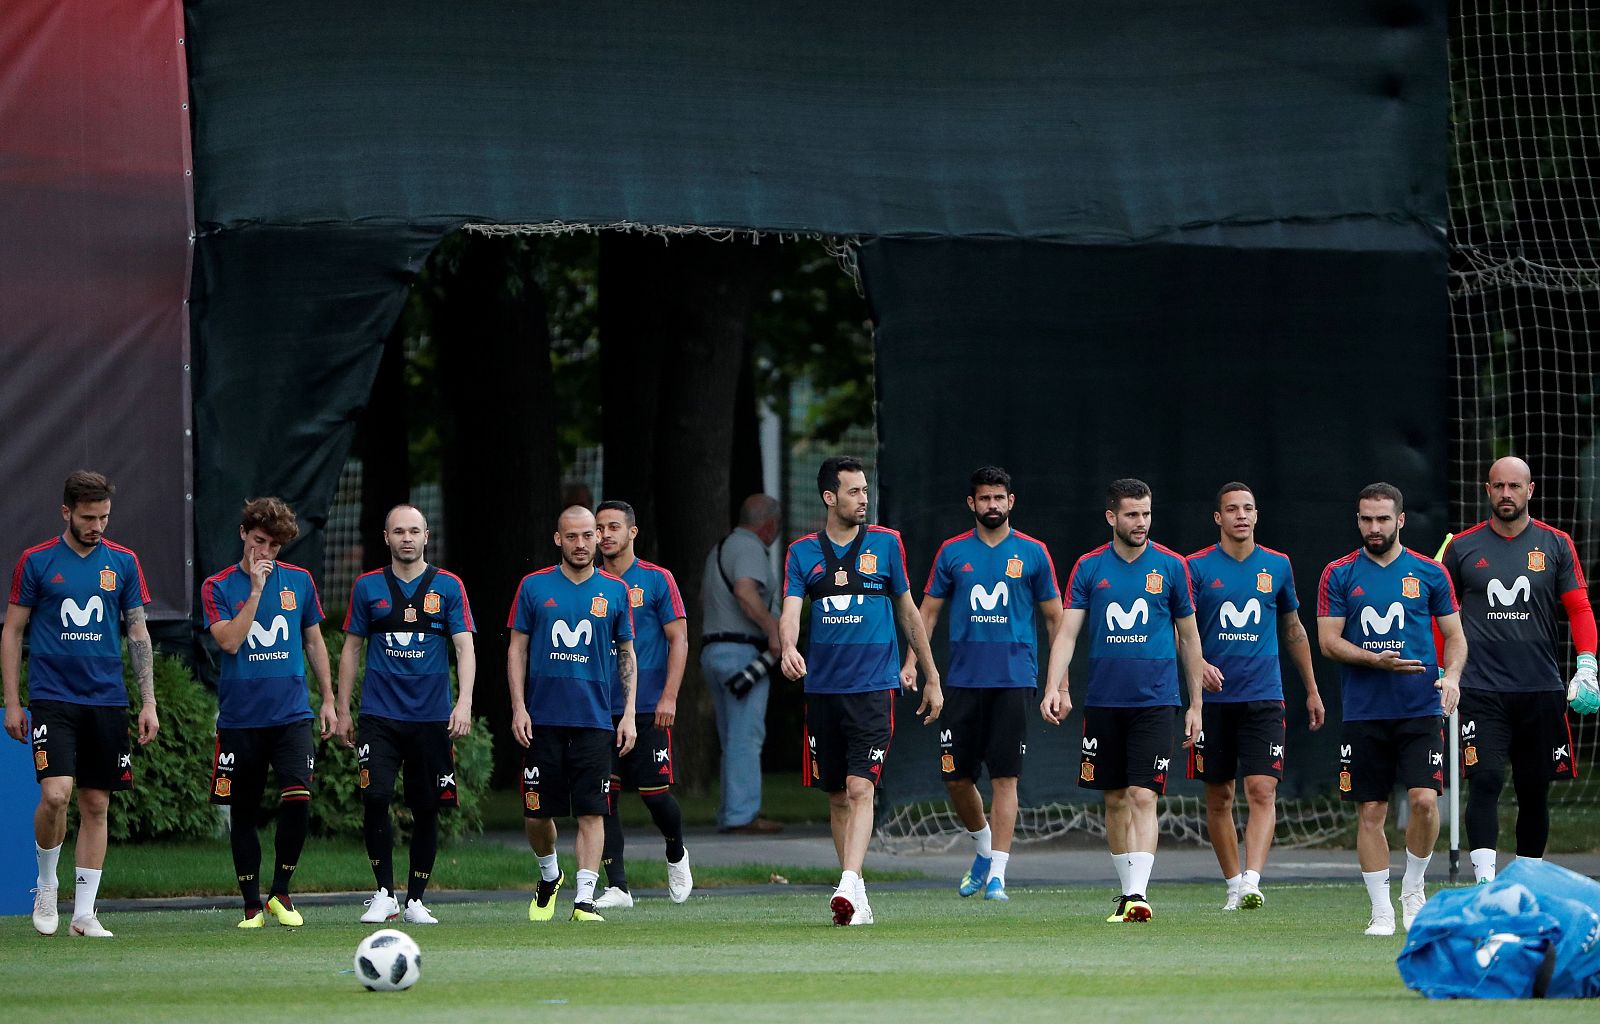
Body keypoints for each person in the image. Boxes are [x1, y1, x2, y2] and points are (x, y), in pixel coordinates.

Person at [780, 456, 942, 926]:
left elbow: (910, 614)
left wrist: (930, 676)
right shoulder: (802, 552)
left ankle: (848, 882)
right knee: (836, 794)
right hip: (823, 691)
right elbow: (790, 609)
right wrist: (788, 646)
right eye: (853, 491)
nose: (863, 499)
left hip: (874, 687)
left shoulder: (887, 545)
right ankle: (857, 889)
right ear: (830, 497)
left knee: (860, 787)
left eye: (865, 490)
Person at [1042, 478, 1205, 923]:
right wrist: (1054, 686)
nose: (1141, 523)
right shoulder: (1090, 567)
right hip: (1104, 703)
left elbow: (1189, 639)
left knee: (1143, 794)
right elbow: (1068, 632)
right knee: (1114, 799)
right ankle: (1126, 892)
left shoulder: (1171, 566)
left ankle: (1138, 895)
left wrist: (1196, 705)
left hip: (1156, 700)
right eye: (1132, 514)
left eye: (1147, 514)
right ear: (1112, 517)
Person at [3, 471, 156, 939]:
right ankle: (46, 884)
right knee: (56, 794)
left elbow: (137, 632)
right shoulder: (37, 561)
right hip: (53, 698)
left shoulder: (124, 563)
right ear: (66, 511)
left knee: (96, 802)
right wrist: (12, 701)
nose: (97, 525)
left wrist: (147, 700)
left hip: (107, 700)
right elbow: (12, 631)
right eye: (88, 517)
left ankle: (84, 914)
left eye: (104, 516)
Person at [905, 466, 1061, 902]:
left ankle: (999, 876)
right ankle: (982, 848)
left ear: (1012, 501)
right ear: (971, 504)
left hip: (1013, 682)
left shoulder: (1033, 553)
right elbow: (927, 611)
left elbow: (1055, 619)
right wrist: (913, 663)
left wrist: (1059, 685)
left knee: (1006, 779)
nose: (993, 505)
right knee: (956, 779)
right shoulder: (953, 552)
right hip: (962, 682)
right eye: (984, 499)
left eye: (1000, 498)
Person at [1438, 457, 1597, 883]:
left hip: (1540, 689)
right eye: (1498, 486)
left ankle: (1528, 881)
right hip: (1480, 689)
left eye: (1514, 486)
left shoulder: (1556, 544)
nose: (1506, 494)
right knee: (1485, 779)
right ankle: (1486, 884)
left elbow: (1579, 607)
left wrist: (1587, 665)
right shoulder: (1462, 548)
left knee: (1533, 788)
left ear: (1530, 490)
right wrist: (1444, 672)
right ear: (1487, 490)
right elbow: (1442, 614)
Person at [1316, 482, 1465, 936]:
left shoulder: (1429, 573)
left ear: (1400, 519)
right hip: (1365, 711)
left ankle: (1414, 888)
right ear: (1358, 520)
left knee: (1424, 802)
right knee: (1371, 812)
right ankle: (1381, 912)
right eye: (1366, 519)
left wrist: (1453, 676)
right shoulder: (1338, 573)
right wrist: (1373, 660)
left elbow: (1455, 636)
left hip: (1420, 706)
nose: (1374, 527)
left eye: (1383, 519)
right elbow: (1328, 641)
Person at [335, 504, 476, 924]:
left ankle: (415, 899)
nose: (407, 538)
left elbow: (465, 646)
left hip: (431, 717)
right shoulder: (367, 586)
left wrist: (464, 702)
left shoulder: (448, 586)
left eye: (415, 531)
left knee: (426, 805)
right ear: (386, 538)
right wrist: (343, 710)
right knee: (375, 796)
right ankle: (383, 893)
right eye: (399, 531)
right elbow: (351, 649)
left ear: (427, 536)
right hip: (380, 716)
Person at [1186, 482, 1324, 912]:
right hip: (1215, 704)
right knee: (1219, 797)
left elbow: (1293, 628)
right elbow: (1182, 631)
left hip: (1265, 697)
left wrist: (1313, 689)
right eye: (1232, 509)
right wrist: (1199, 665)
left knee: (1262, 789)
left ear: (1257, 515)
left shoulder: (1277, 565)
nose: (1241, 516)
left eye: (1248, 508)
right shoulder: (1195, 567)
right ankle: (1231, 883)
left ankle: (1252, 881)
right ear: (1218, 518)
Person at [201, 497, 337, 928]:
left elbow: (314, 641)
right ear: (244, 535)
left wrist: (330, 700)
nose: (265, 553)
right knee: (244, 810)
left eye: (274, 547)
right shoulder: (218, 586)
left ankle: (281, 891)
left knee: (298, 798)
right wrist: (257, 591)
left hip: (292, 714)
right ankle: (250, 904)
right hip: (242, 719)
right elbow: (229, 642)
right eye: (259, 541)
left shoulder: (299, 581)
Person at [508, 506, 636, 923]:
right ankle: (549, 876)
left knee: (592, 811)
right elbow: (517, 649)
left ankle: (584, 900)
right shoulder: (533, 586)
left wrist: (629, 713)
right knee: (536, 813)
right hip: (542, 719)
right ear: (558, 539)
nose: (581, 544)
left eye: (588, 536)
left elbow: (626, 655)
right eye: (572, 536)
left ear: (598, 538)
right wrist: (518, 707)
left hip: (595, 720)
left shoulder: (614, 591)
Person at [592, 499, 693, 909]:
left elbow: (679, 639)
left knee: (655, 794)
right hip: (598, 708)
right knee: (603, 798)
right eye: (599, 528)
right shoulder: (588, 582)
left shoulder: (656, 579)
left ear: (632, 531)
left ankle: (676, 850)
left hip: (650, 704)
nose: (605, 535)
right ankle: (617, 886)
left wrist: (669, 695)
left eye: (614, 526)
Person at [701, 493, 785, 834]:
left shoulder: (721, 548)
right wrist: (774, 631)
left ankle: (731, 811)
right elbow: (745, 592)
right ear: (769, 525)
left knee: (731, 736)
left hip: (715, 649)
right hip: (741, 653)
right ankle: (742, 816)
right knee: (746, 737)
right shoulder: (749, 548)